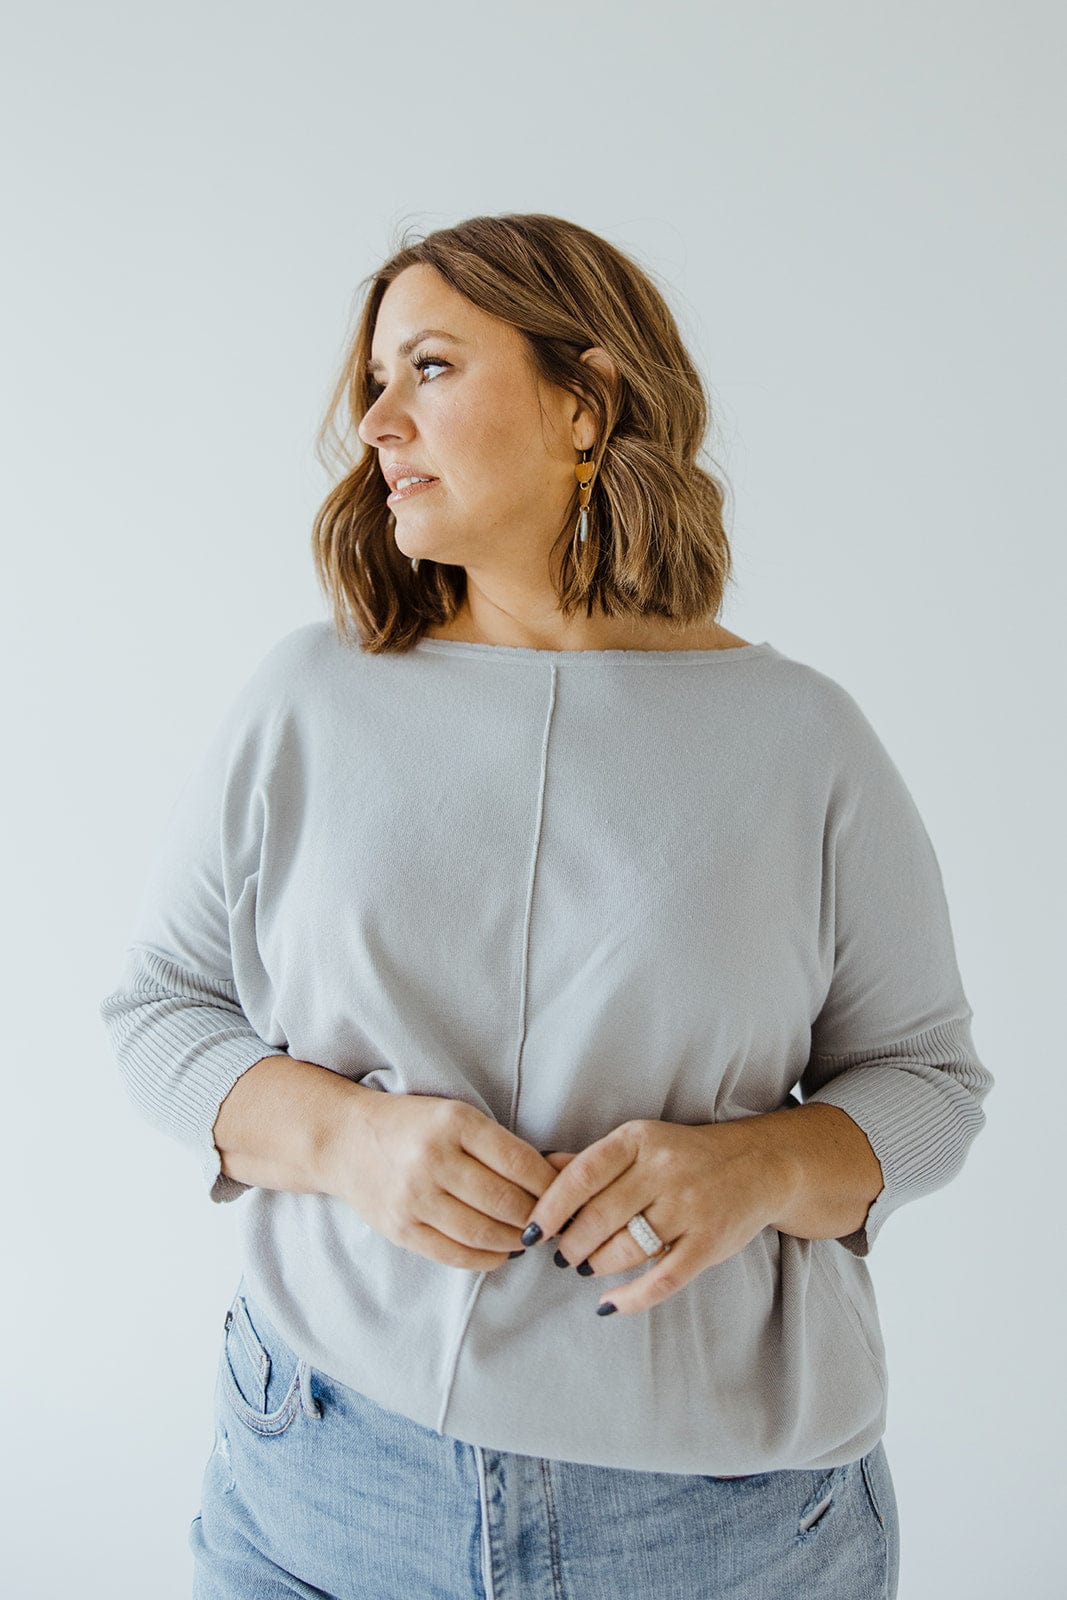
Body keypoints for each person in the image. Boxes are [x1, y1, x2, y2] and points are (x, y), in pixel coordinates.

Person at [98, 212, 993, 1600]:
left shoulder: (803, 741)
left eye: (432, 368)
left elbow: (929, 1086)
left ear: (589, 399)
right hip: (326, 1470)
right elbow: (160, 1011)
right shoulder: (307, 700)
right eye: (374, 385)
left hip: (722, 1523)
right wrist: (344, 1141)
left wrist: (754, 1169)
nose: (381, 423)